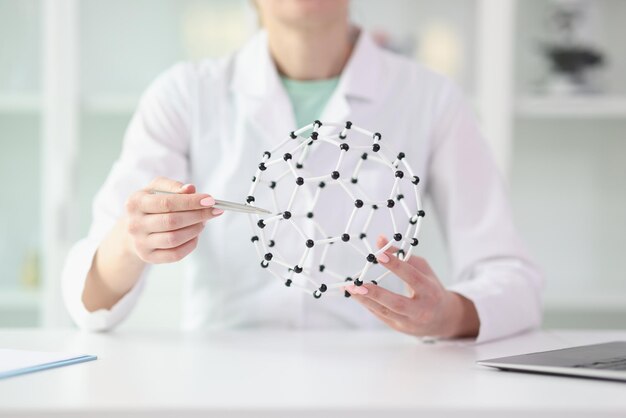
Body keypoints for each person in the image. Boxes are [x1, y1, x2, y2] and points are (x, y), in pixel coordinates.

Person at [62, 0, 543, 342]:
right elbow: (89, 302)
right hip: (221, 384)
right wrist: (133, 239)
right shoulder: (185, 96)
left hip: (382, 385)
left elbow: (513, 280)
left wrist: (448, 315)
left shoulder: (433, 99)